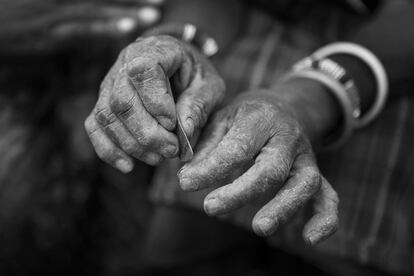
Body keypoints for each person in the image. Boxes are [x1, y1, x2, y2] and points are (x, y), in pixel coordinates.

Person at [84, 0, 414, 275]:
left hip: (389, 66)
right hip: (247, 48)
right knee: (183, 237)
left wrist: (307, 99)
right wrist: (178, 41)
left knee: (346, 250)